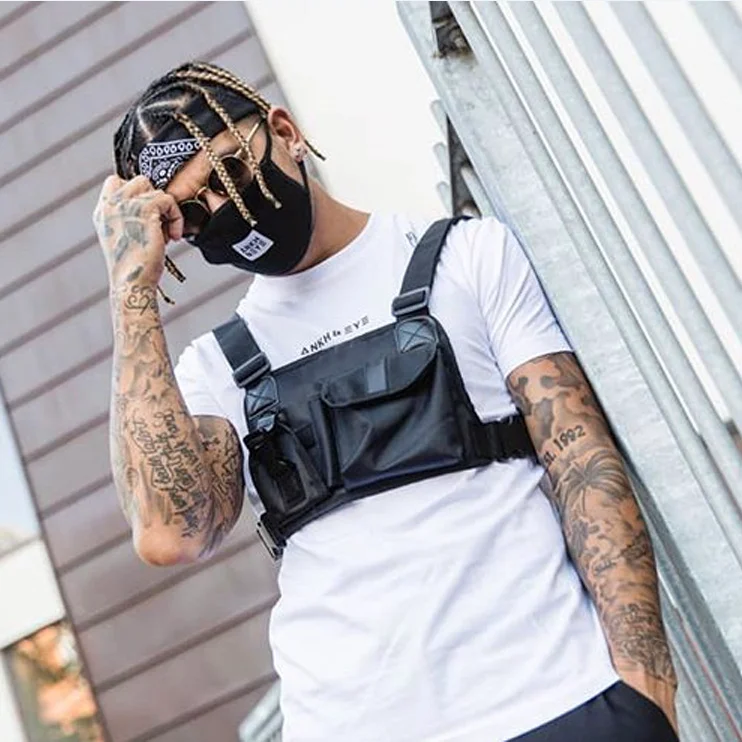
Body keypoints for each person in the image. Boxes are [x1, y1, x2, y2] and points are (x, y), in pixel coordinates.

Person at [93, 61, 679, 742]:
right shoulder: (216, 369)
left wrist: (647, 688)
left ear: (285, 132)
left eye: (228, 171)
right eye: (195, 211)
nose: (227, 210)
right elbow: (171, 533)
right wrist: (130, 290)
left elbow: (582, 462)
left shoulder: (466, 257)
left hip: (555, 698)